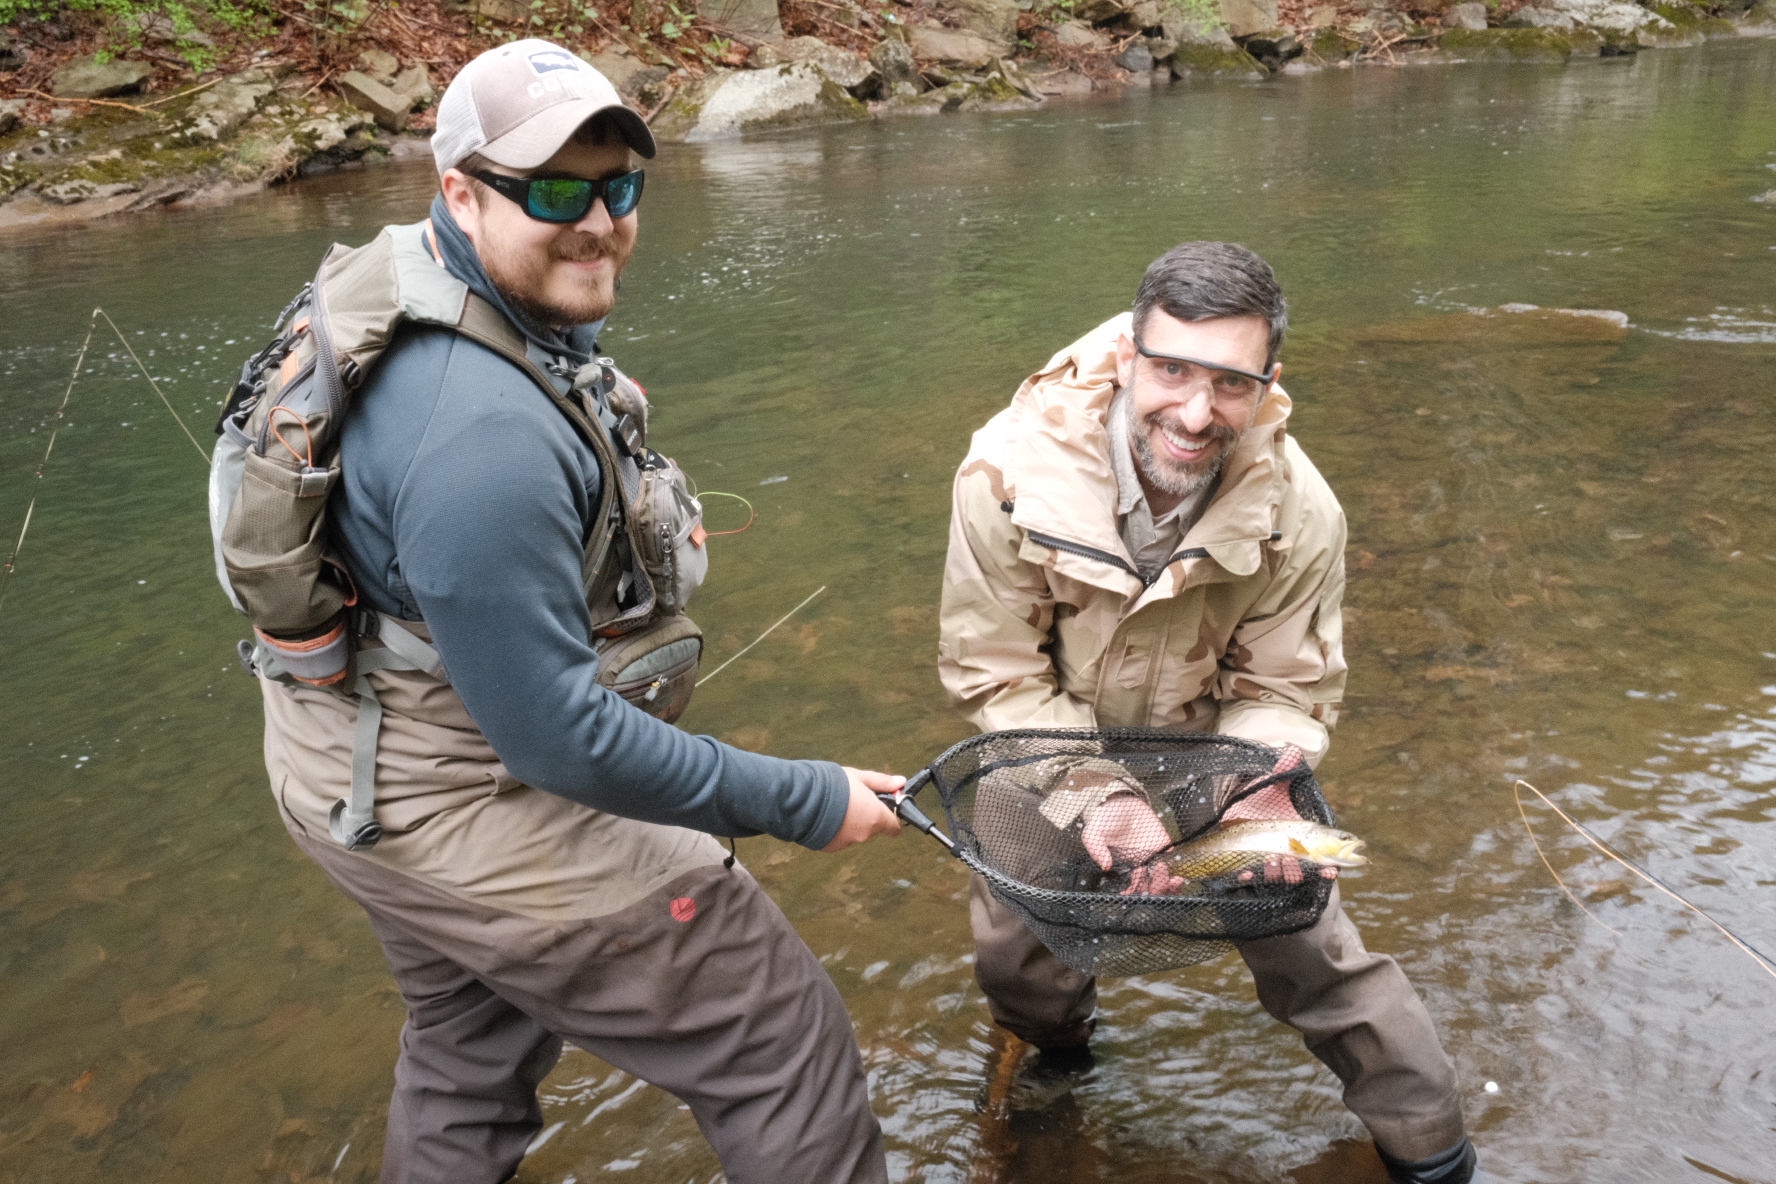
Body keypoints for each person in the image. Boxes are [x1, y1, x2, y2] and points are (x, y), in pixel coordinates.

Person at [253, 41, 902, 1184]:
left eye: (620, 186)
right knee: (776, 1035)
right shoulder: (478, 439)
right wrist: (805, 797)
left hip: (339, 762)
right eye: (554, 193)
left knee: (470, 1045)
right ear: (460, 192)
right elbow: (560, 741)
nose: (599, 222)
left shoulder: (426, 282)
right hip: (453, 793)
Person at [937, 242, 1481, 1184]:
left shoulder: (1301, 513)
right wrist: (1093, 791)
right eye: (1173, 371)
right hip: (1045, 743)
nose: (1196, 412)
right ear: (1128, 357)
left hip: (1211, 753)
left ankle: (1434, 1153)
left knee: (1321, 959)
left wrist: (1257, 789)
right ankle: (1058, 1063)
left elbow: (1283, 691)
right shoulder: (1004, 477)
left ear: (1270, 383)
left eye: (1231, 382)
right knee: (1018, 962)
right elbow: (996, 672)